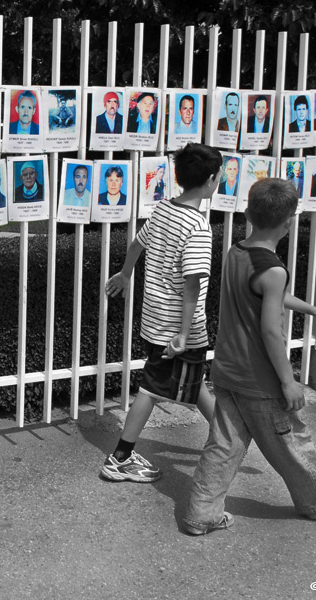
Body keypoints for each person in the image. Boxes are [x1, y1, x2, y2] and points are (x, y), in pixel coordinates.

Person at [181, 178, 316, 535]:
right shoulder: (274, 270)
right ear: (289, 222)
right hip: (259, 379)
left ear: (248, 213)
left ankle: (201, 513)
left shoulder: (237, 251)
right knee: (293, 441)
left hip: (227, 371)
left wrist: (314, 310)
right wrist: (288, 381)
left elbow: (264, 296)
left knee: (224, 445)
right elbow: (271, 329)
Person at [99, 143, 223, 483]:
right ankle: (120, 458)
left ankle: (228, 440)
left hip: (154, 320)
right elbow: (192, 284)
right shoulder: (198, 227)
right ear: (211, 180)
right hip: (178, 328)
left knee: (192, 381)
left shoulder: (162, 210)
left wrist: (126, 273)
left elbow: (138, 243)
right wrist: (184, 334)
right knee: (153, 389)